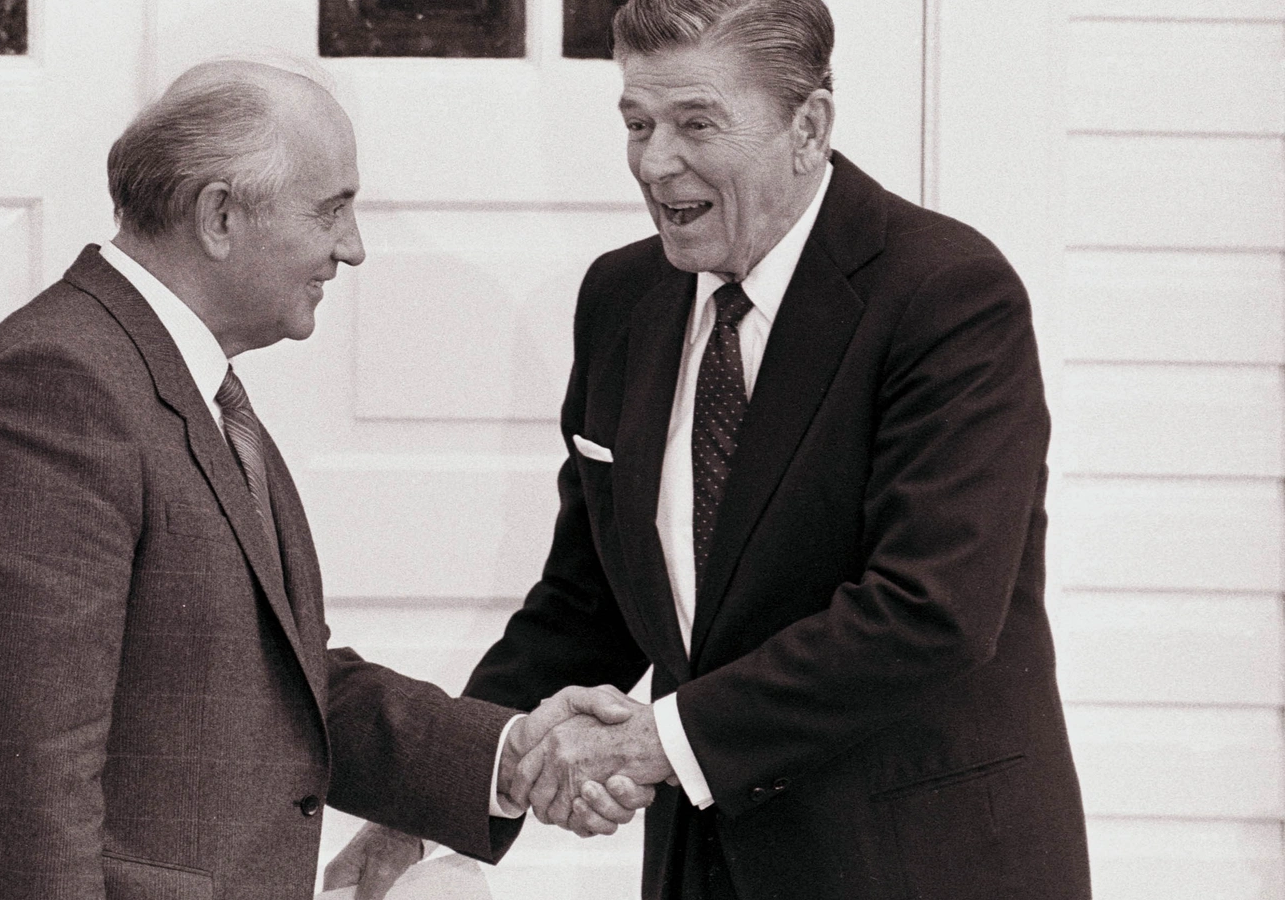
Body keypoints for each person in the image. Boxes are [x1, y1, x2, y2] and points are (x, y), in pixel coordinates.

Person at [328, 1, 1092, 898]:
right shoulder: (622, 299)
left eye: (696, 122)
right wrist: (433, 805)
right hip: (708, 871)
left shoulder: (948, 295)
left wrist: (653, 743)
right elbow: (586, 608)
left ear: (807, 126)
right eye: (638, 123)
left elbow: (929, 610)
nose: (656, 162)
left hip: (920, 866)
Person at [0, 59, 653, 900]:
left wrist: (504, 756)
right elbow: (23, 795)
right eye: (332, 211)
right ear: (220, 215)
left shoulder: (178, 383)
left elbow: (274, 683)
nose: (351, 249)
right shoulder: (55, 390)